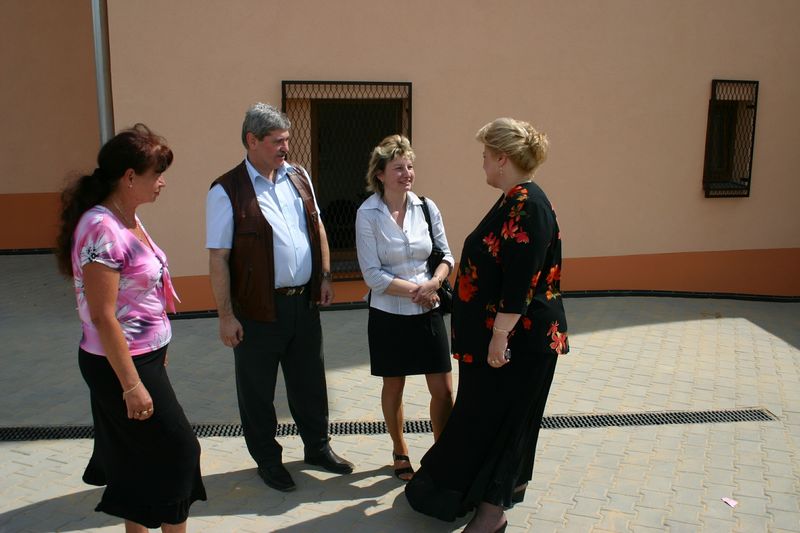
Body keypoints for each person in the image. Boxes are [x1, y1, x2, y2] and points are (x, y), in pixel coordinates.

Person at [405, 117, 569, 533]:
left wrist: (498, 336)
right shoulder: (512, 199)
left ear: (502, 159)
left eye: (484, 155)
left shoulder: (527, 205)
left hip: (517, 343)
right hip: (503, 341)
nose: (481, 162)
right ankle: (482, 496)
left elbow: (521, 281)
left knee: (505, 424)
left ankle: (492, 515)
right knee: (485, 420)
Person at [54, 124, 206, 532]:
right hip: (120, 365)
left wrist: (157, 350)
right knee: (180, 451)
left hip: (140, 358)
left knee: (135, 458)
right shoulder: (102, 228)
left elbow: (139, 296)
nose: (163, 182)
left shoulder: (126, 218)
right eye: (157, 174)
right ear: (129, 177)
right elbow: (103, 315)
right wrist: (132, 384)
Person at [206, 102, 353, 492]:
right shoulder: (227, 190)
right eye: (276, 141)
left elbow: (317, 228)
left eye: (287, 140)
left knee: (310, 383)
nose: (285, 147)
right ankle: (268, 461)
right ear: (252, 141)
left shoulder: (298, 177)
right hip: (256, 309)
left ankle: (317, 448)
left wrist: (324, 276)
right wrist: (226, 316)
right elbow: (219, 257)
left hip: (303, 303)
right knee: (257, 390)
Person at [355, 135, 455, 482]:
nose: (407, 173)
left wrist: (435, 283)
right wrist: (419, 290)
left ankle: (443, 453)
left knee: (444, 390)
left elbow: (446, 255)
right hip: (389, 314)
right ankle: (400, 451)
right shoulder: (367, 214)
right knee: (394, 386)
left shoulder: (426, 207)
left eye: (410, 166)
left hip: (429, 309)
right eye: (398, 167)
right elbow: (372, 275)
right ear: (380, 174)